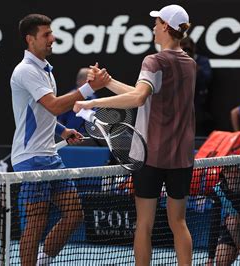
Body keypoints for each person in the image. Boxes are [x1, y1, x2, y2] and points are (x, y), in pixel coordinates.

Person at [73, 5, 195, 265]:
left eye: (156, 22)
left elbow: (139, 97)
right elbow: (147, 94)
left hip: (149, 156)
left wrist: (92, 103)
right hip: (181, 157)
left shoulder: (154, 60)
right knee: (179, 222)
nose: (153, 27)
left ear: (164, 26)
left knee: (144, 225)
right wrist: (108, 83)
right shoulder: (189, 63)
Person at [10, 14, 109, 266]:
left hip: (50, 156)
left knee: (74, 214)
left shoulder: (45, 71)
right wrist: (88, 89)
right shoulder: (26, 71)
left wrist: (63, 131)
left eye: (51, 33)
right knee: (37, 220)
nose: (52, 38)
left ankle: (42, 260)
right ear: (30, 39)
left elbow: (42, 113)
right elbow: (53, 106)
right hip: (30, 157)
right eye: (46, 35)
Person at [180, 37, 213, 136]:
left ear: (193, 48)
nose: (186, 52)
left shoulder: (202, 61)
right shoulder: (175, 62)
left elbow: (207, 79)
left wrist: (192, 64)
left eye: (188, 49)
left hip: (197, 104)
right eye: (183, 49)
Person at [57, 68, 97, 135]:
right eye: (89, 80)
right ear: (80, 81)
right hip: (70, 140)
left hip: (88, 140)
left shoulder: (93, 98)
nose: (93, 83)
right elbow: (58, 120)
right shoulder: (69, 98)